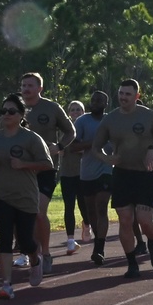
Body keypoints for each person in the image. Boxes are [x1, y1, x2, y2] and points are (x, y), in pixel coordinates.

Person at [91, 79, 153, 279]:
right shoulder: (110, 119)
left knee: (145, 220)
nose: (123, 97)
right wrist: (107, 158)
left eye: (128, 94)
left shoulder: (149, 116)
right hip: (121, 175)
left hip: (144, 175)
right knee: (125, 220)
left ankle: (152, 242)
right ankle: (132, 263)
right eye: (121, 93)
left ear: (137, 96)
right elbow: (95, 147)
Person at [0, 93, 53, 299]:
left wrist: (24, 165)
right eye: (3, 111)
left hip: (26, 197)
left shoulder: (31, 138)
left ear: (21, 115)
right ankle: (6, 284)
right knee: (4, 239)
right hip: (1, 196)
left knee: (25, 240)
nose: (7, 115)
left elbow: (47, 164)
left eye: (11, 111)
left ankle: (35, 259)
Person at [16, 72, 76, 274]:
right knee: (24, 213)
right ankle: (28, 251)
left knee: (39, 212)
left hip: (46, 168)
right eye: (23, 85)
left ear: (40, 88)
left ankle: (46, 253)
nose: (26, 89)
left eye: (30, 85)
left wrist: (58, 147)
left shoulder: (51, 108)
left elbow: (70, 131)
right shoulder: (14, 107)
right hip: (22, 169)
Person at [70, 91, 113, 265]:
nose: (95, 102)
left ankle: (99, 248)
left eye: (99, 100)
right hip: (87, 172)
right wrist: (95, 143)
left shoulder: (111, 120)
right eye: (93, 99)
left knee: (102, 206)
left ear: (106, 104)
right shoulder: (82, 121)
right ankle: (98, 239)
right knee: (91, 210)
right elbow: (73, 147)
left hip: (107, 170)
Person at [59, 100, 87, 254]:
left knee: (84, 204)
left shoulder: (86, 128)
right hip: (67, 173)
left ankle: (87, 223)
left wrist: (81, 148)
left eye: (79, 110)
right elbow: (59, 149)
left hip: (84, 174)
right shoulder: (64, 130)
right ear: (68, 112)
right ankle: (70, 240)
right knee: (69, 206)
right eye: (73, 110)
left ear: (83, 112)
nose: (75, 112)